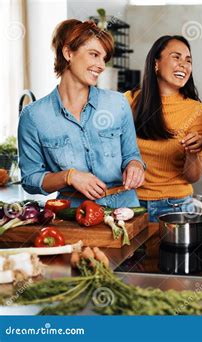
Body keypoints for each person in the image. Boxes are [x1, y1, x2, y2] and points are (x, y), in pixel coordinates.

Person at [18, 19, 145, 208]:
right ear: (68, 53)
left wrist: (135, 165)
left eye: (104, 58)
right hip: (73, 215)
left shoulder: (117, 103)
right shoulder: (34, 116)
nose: (101, 65)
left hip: (125, 210)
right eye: (94, 54)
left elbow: (132, 154)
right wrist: (69, 176)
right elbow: (30, 179)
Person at [125, 35, 202, 222]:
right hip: (130, 204)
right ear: (156, 63)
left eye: (188, 60)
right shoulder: (128, 102)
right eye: (176, 57)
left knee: (171, 252)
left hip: (176, 206)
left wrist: (193, 153)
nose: (184, 65)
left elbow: (192, 176)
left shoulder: (197, 111)